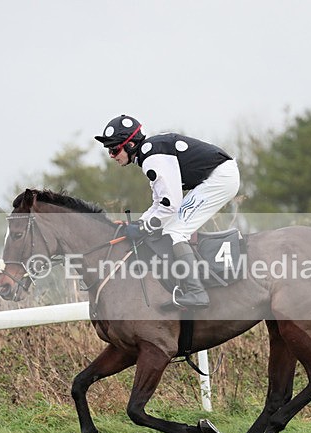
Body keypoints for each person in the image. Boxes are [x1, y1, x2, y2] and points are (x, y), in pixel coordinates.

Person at [95, 114, 240, 310]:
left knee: (175, 231)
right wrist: (141, 223)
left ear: (130, 145)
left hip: (220, 178)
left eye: (114, 149)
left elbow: (171, 204)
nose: (111, 155)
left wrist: (144, 227)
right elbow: (160, 201)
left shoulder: (151, 157)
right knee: (170, 228)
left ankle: (197, 292)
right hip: (218, 176)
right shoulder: (149, 154)